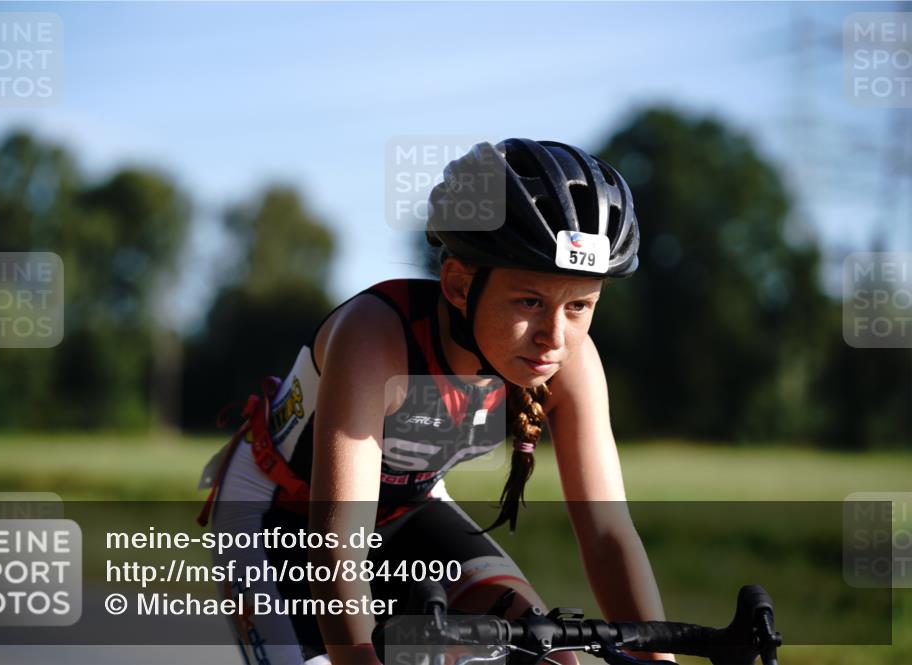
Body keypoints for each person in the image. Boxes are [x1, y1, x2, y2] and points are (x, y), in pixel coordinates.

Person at [197, 138, 674, 665]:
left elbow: (608, 534)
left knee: (551, 657)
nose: (554, 337)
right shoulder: (376, 337)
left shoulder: (572, 362)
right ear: (456, 284)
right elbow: (337, 544)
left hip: (410, 510)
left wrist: (659, 661)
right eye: (530, 301)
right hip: (278, 519)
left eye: (580, 305)